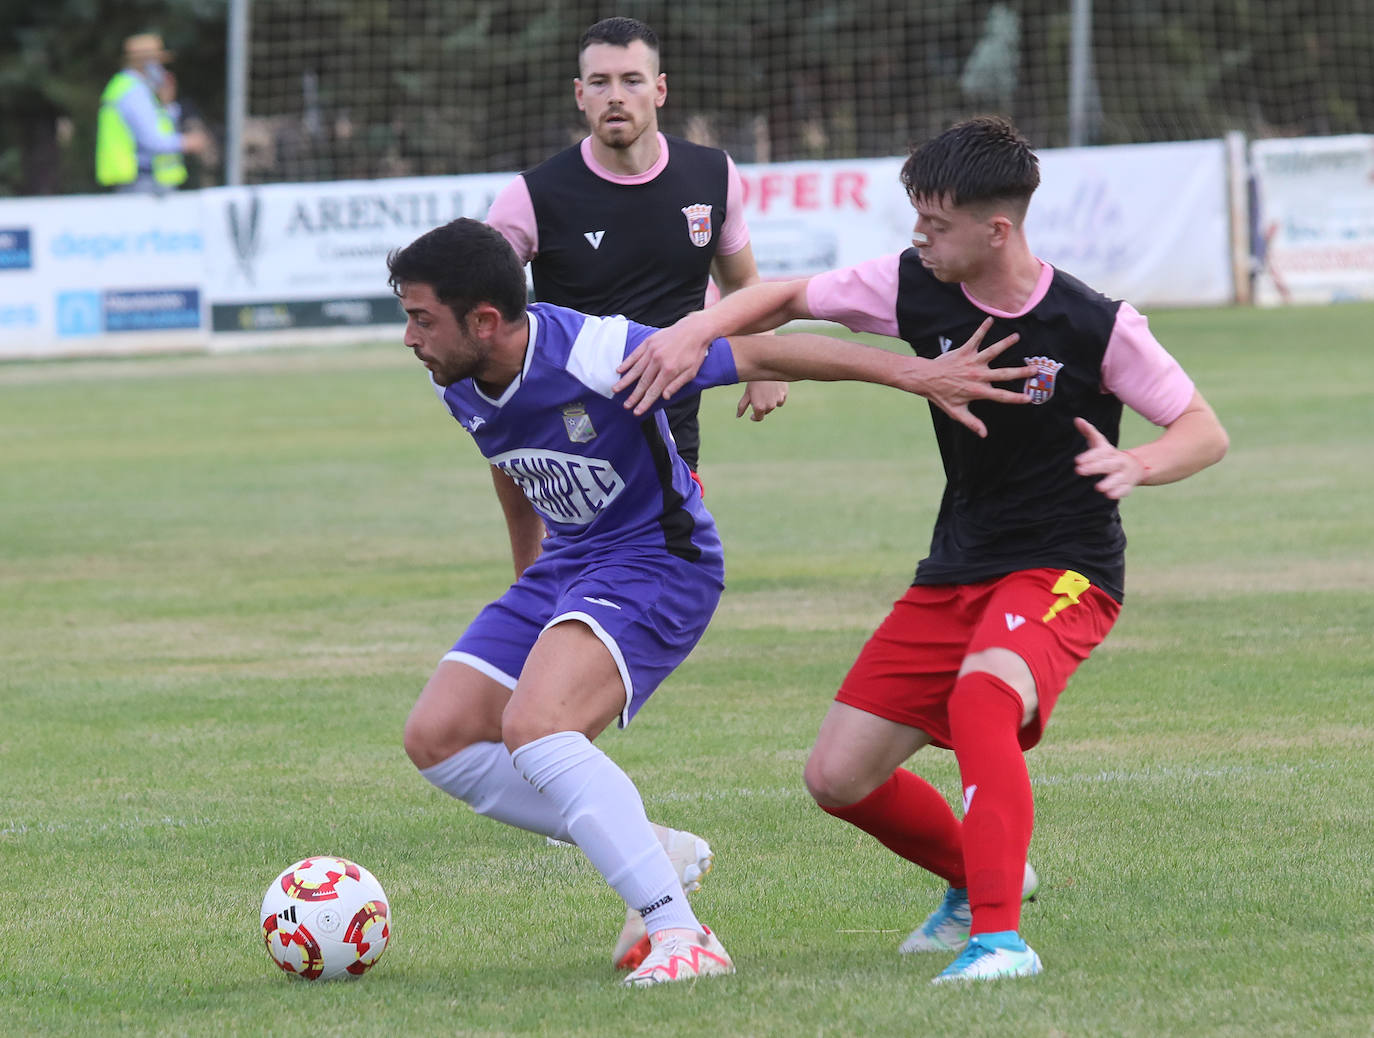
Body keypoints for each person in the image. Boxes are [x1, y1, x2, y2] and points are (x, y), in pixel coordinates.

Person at [613, 116, 1230, 984]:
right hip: (956, 566)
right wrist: (693, 333)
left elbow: (1204, 430)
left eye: (936, 224)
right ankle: (979, 882)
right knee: (837, 776)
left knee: (985, 697)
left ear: (997, 230)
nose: (919, 237)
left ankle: (1001, 942)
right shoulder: (912, 286)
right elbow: (785, 295)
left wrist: (1139, 461)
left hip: (1066, 568)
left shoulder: (1095, 325)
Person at [387, 217, 1033, 987]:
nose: (409, 337)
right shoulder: (457, 375)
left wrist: (914, 375)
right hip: (567, 565)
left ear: (484, 321)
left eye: (420, 318)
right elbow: (511, 458)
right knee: (439, 738)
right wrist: (527, 575)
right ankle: (656, 847)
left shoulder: (602, 356)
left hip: (658, 561)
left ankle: (681, 937)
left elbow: (764, 351)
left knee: (538, 728)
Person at [483, 14, 787, 970]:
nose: (615, 94)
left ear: (662, 89)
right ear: (578, 97)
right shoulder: (531, 200)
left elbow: (740, 276)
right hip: (579, 442)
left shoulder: (712, 178)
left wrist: (765, 365)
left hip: (669, 438)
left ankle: (652, 880)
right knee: (546, 712)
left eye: (631, 79)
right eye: (598, 81)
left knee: (556, 706)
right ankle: (650, 862)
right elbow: (494, 354)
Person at [96, 33, 209, 194]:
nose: (161, 69)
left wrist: (166, 103)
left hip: (143, 180)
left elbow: (159, 127)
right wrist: (188, 142)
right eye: (157, 62)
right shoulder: (134, 92)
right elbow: (152, 140)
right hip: (142, 182)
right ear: (145, 63)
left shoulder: (131, 88)